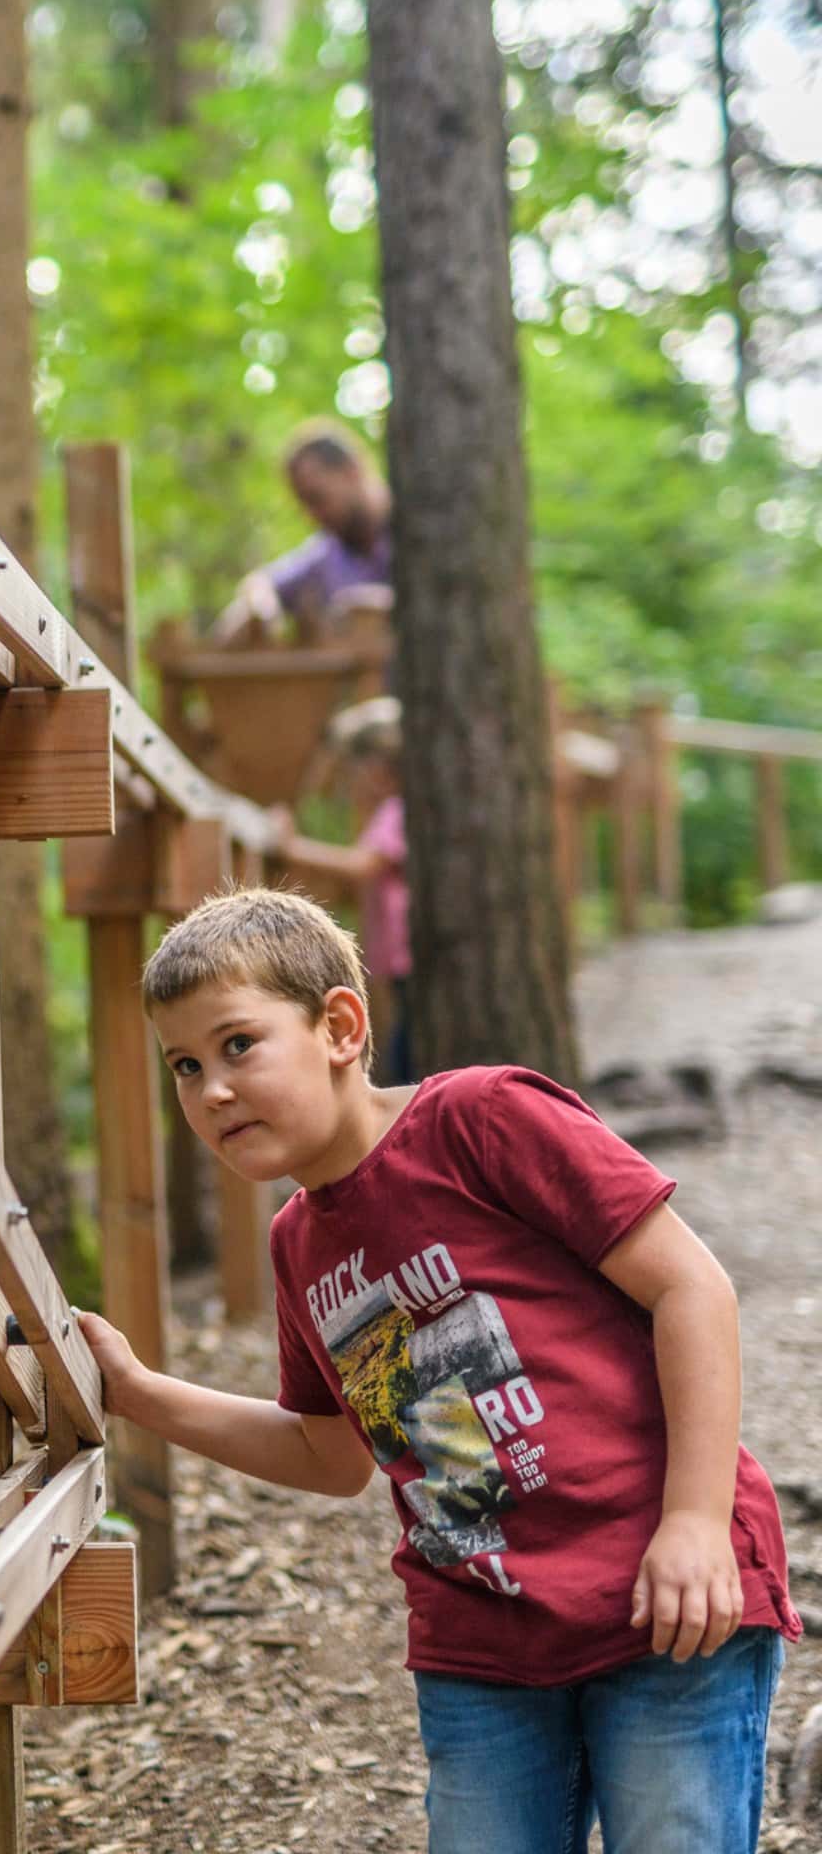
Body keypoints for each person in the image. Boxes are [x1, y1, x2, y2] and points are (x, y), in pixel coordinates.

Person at [76, 888, 799, 1854]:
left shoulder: (481, 1122)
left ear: (339, 1026)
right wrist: (136, 1394)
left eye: (238, 1045)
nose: (211, 1088)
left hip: (663, 1600)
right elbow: (329, 1454)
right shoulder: (300, 1247)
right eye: (185, 1065)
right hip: (483, 1641)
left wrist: (697, 1523)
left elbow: (693, 1292)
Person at [265, 698, 413, 1081]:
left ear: (379, 769)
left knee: (405, 1050)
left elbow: (362, 865)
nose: (354, 783)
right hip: (399, 957)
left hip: (407, 954)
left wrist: (292, 849)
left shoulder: (397, 811)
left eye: (356, 771)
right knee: (402, 1041)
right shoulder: (392, 811)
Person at [214, 421, 393, 647]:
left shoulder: (427, 528)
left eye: (317, 498)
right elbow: (262, 584)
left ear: (352, 471)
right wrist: (259, 611)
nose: (312, 515)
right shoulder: (327, 555)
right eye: (305, 505)